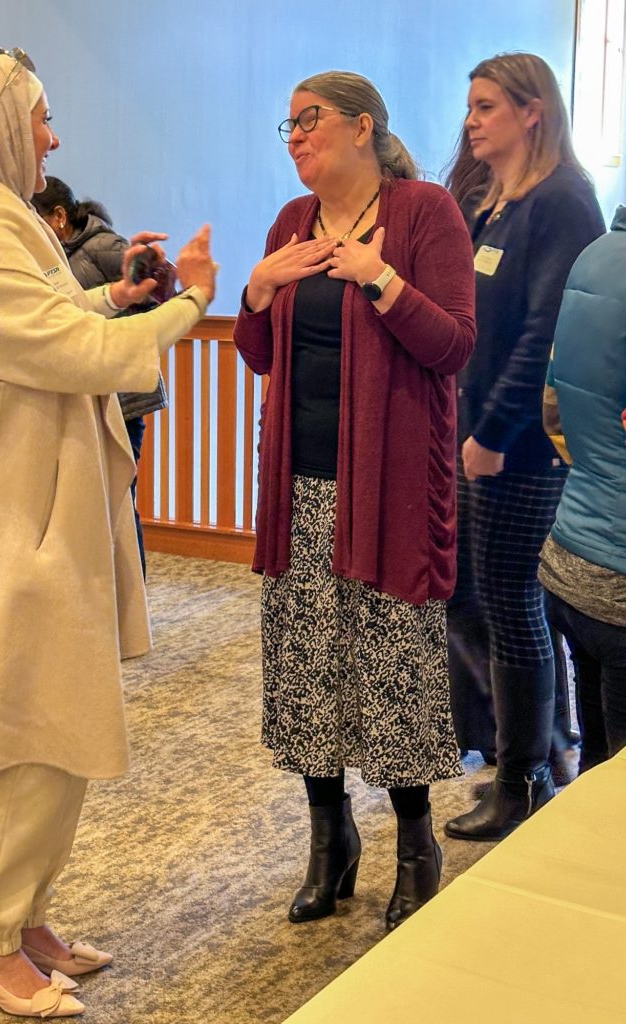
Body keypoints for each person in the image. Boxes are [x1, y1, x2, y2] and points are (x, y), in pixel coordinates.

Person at [0, 49, 215, 1018]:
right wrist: (190, 306)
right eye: (41, 117)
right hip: (4, 525)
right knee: (24, 735)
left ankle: (27, 914)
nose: (53, 137)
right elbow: (65, 351)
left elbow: (52, 318)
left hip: (39, 512)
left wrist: (118, 298)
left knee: (60, 721)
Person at [234, 70, 476, 932]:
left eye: (311, 120)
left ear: (363, 126)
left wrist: (382, 280)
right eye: (289, 125)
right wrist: (256, 290)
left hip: (391, 489)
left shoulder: (423, 214)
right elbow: (260, 354)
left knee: (392, 666)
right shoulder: (290, 224)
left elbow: (454, 346)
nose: (296, 137)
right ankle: (328, 842)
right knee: (307, 666)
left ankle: (416, 845)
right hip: (298, 486)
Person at [443, 52, 605, 843]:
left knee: (513, 609)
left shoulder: (563, 201)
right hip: (480, 433)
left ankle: (524, 782)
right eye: (471, 106)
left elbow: (544, 337)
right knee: (494, 604)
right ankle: (528, 765)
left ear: (532, 111)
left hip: (522, 448)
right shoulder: (497, 203)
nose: (471, 121)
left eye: (487, 107)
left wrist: (494, 432)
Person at [32, 177, 170, 575]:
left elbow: (158, 293)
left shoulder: (102, 246)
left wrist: (133, 292)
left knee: (120, 499)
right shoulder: (57, 257)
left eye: (37, 218)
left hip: (123, 396)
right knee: (94, 503)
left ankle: (133, 594)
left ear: (59, 217)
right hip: (90, 392)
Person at [539, 205, 626, 772]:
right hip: (619, 581)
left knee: (598, 769)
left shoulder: (592, 257)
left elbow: (553, 412)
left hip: (569, 560)